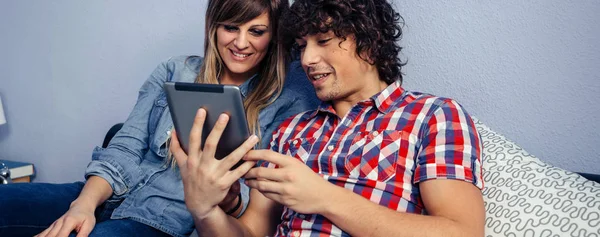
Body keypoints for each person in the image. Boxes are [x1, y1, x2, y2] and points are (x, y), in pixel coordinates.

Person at [0, 0, 319, 236]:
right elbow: (124, 147)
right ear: (214, 28)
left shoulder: (291, 98)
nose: (240, 42)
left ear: (275, 35)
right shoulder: (175, 70)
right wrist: (83, 205)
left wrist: (227, 200)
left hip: (165, 220)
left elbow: (255, 208)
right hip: (110, 193)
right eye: (231, 27)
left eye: (257, 31)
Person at [171, 0, 486, 236]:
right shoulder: (290, 131)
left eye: (322, 41)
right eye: (301, 46)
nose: (307, 59)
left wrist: (323, 197)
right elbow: (252, 232)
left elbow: (461, 232)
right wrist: (204, 210)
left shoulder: (434, 116)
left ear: (371, 42)